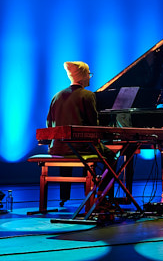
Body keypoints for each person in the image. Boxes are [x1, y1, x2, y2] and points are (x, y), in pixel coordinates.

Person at [46, 61, 113, 205]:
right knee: (112, 156)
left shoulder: (57, 96)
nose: (90, 77)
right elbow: (92, 125)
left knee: (75, 146)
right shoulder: (88, 95)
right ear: (82, 77)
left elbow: (49, 123)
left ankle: (64, 196)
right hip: (80, 147)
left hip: (58, 147)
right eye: (89, 74)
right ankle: (102, 194)